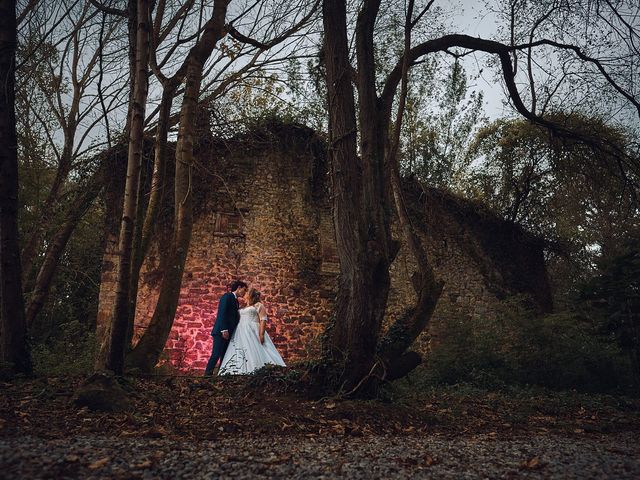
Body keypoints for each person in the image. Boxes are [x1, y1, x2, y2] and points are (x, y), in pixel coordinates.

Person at [219, 288, 285, 375]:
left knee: (255, 349)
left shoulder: (259, 305)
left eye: (247, 293)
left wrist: (261, 334)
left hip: (252, 329)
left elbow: (263, 320)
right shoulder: (244, 306)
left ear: (251, 295)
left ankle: (256, 368)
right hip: (240, 331)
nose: (245, 294)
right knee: (240, 349)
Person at [204, 280, 248, 376]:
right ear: (239, 287)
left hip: (229, 334)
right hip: (221, 332)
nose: (245, 293)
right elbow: (222, 313)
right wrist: (224, 330)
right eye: (244, 290)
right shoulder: (227, 296)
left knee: (224, 356)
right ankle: (207, 376)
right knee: (216, 355)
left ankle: (221, 375)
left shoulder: (236, 301)